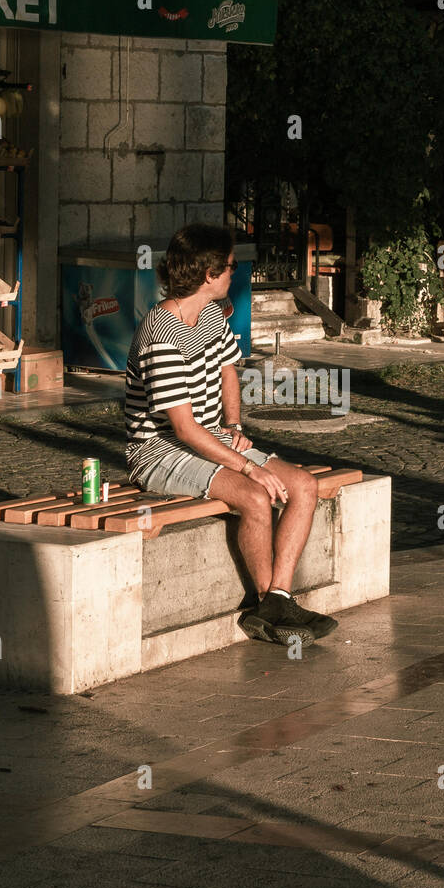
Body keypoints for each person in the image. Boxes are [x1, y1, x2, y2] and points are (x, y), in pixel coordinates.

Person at [124, 224, 337, 646]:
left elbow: (228, 371)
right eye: (230, 266)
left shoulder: (210, 316)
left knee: (305, 486)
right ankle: (267, 602)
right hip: (158, 450)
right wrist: (246, 467)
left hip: (210, 438)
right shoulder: (161, 334)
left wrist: (235, 427)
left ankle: (277, 600)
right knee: (255, 496)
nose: (234, 273)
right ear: (208, 273)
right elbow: (182, 428)